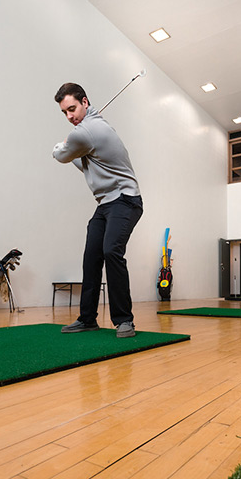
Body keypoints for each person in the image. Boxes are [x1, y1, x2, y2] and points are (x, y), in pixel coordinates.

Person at [52, 83, 143, 338]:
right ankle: (87, 319)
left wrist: (60, 146)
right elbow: (86, 165)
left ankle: (124, 320)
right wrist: (72, 148)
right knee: (92, 255)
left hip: (126, 199)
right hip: (105, 204)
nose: (70, 116)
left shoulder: (88, 131)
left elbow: (61, 156)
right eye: (65, 112)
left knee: (111, 250)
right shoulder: (89, 130)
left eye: (72, 109)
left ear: (85, 102)